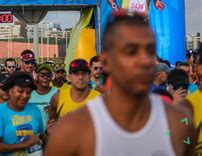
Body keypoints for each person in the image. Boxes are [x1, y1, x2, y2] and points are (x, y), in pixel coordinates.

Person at [45, 12, 196, 155]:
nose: (144, 61)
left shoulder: (178, 123)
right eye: (131, 52)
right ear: (106, 61)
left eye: (149, 51)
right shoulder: (72, 131)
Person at [0, 71, 44, 155]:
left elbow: (40, 137)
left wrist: (48, 133)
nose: (25, 96)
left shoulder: (35, 110)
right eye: (20, 91)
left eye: (28, 93)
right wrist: (25, 144)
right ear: (10, 91)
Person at [48, 59, 100, 130]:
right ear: (69, 77)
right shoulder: (57, 98)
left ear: (89, 77)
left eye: (84, 73)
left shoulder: (99, 99)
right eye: (76, 73)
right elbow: (51, 126)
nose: (80, 77)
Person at [29, 63, 58, 133]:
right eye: (42, 75)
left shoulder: (57, 92)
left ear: (51, 77)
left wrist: (53, 109)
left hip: (51, 135)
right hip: (33, 135)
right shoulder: (29, 93)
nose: (45, 78)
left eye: (48, 75)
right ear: (36, 77)